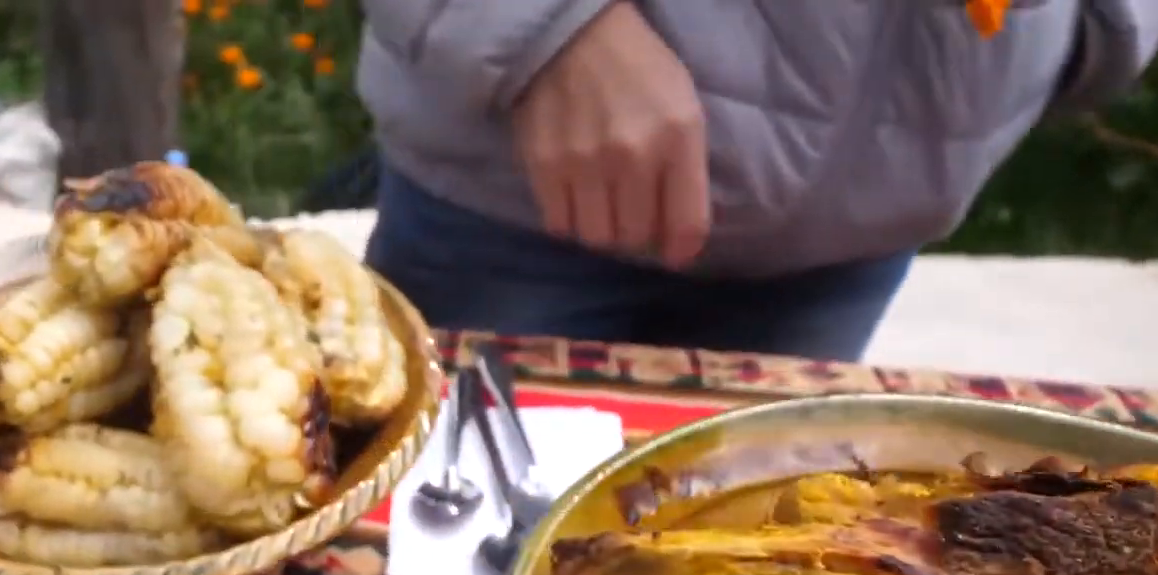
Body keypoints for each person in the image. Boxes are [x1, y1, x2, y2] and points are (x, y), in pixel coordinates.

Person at [356, 0, 1158, 360]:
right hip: (518, 210)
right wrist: (543, 27)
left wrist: (1106, 24)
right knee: (427, 554)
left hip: (856, 241)